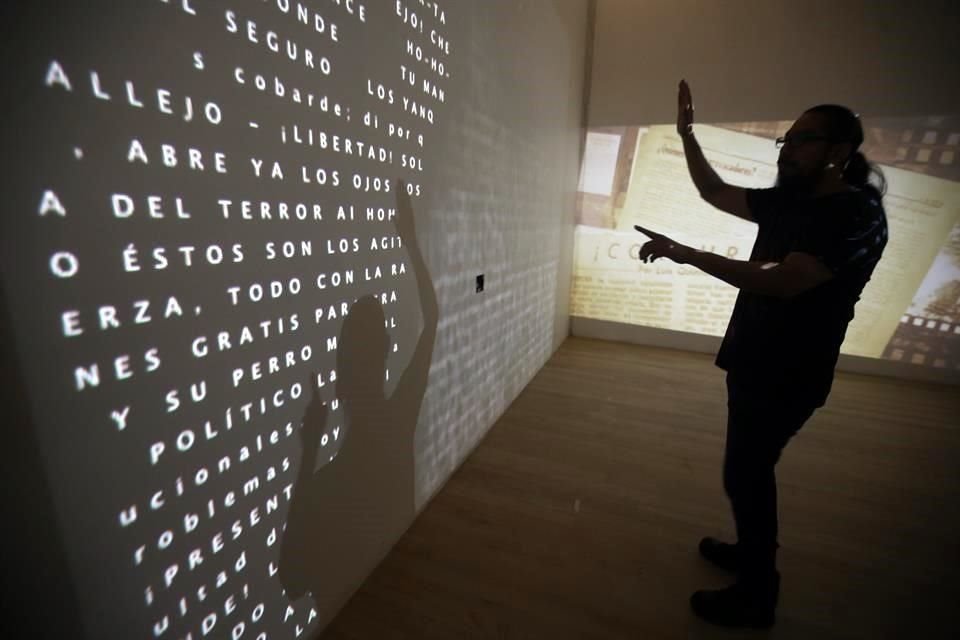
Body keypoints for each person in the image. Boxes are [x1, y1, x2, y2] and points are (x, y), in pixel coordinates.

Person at [635, 80, 888, 628]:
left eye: (803, 139)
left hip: (790, 369)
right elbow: (715, 193)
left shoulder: (854, 214)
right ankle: (751, 553)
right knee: (748, 469)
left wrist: (688, 254)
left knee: (746, 472)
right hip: (754, 355)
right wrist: (687, 135)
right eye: (787, 140)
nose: (789, 149)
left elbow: (785, 282)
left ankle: (757, 594)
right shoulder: (792, 202)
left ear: (839, 152)